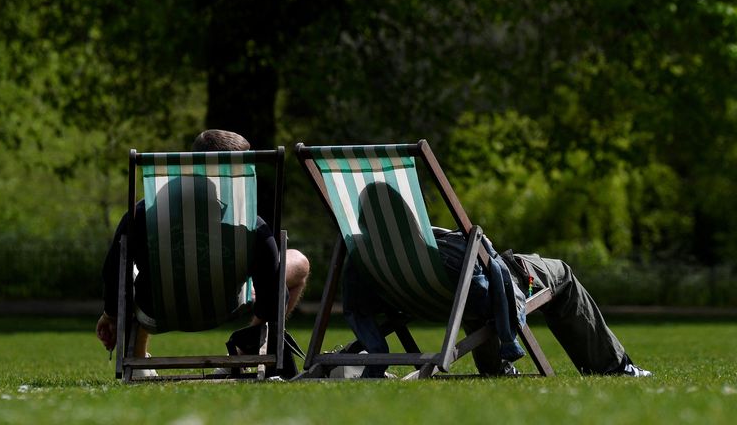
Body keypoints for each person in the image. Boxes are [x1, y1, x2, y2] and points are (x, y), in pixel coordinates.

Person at [342, 182, 651, 378]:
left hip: (433, 300)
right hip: (474, 289)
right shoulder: (433, 249)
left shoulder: (366, 259)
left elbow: (360, 302)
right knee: (561, 275)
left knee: (473, 286)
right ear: (410, 214)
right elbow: (481, 287)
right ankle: (614, 367)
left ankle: (497, 368)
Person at [95, 130, 310, 371]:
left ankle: (139, 360)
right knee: (297, 262)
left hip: (157, 310)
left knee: (133, 270)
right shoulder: (250, 227)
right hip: (226, 305)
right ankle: (243, 354)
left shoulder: (143, 217)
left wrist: (111, 315)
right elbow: (271, 300)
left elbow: (114, 272)